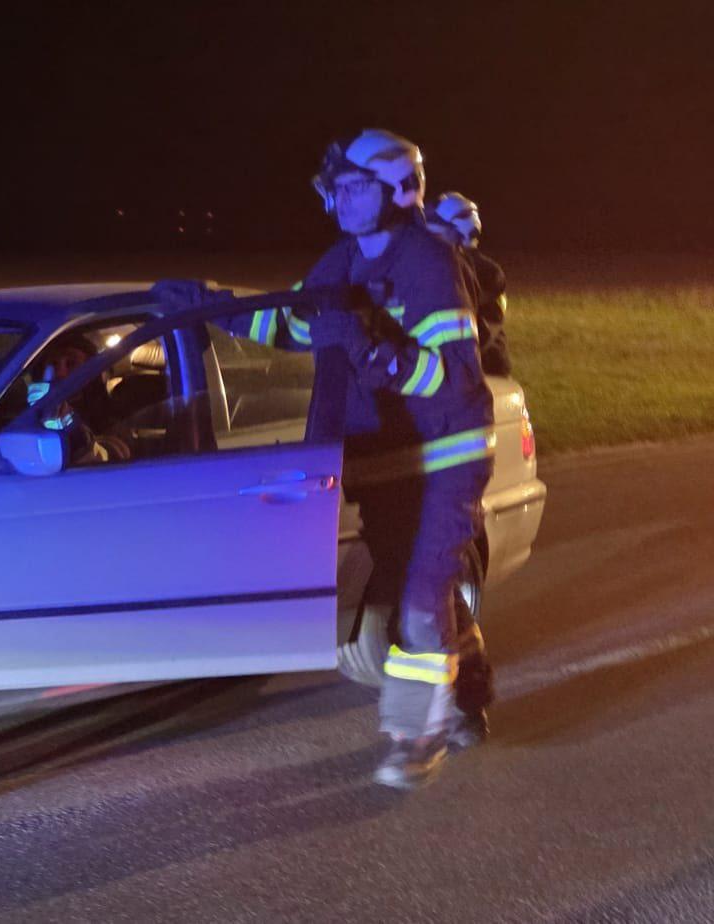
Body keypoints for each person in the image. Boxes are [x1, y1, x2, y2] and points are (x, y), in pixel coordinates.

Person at [156, 129, 496, 790]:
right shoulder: (340, 260)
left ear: (400, 191)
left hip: (444, 456)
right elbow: (291, 324)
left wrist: (374, 351)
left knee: (422, 602)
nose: (341, 198)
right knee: (417, 595)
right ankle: (467, 701)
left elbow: (451, 379)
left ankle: (411, 737)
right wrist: (215, 307)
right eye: (336, 187)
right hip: (384, 457)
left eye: (356, 187)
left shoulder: (428, 261)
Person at [429, 193, 512, 375]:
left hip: (486, 369)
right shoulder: (443, 265)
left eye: (437, 232)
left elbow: (482, 333)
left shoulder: (486, 274)